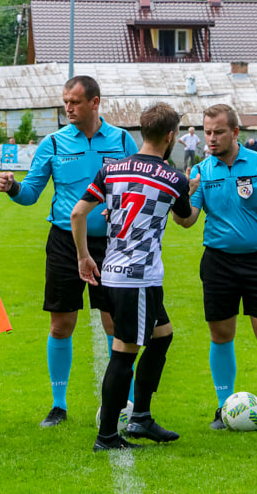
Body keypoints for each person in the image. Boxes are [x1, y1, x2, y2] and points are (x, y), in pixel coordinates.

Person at [0, 75, 138, 427]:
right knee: (61, 324)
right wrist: (13, 187)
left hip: (113, 244)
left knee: (115, 323)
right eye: (65, 102)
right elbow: (30, 194)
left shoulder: (122, 140)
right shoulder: (53, 144)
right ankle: (58, 405)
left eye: (75, 102)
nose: (68, 108)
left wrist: (121, 209)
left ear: (95, 102)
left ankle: (124, 402)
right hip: (64, 243)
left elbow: (137, 187)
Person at [72, 102, 196, 451]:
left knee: (162, 336)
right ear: (171, 137)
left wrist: (84, 257)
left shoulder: (111, 169)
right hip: (137, 279)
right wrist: (193, 190)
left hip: (114, 270)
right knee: (124, 353)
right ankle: (108, 436)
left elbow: (78, 213)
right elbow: (186, 220)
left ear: (142, 131)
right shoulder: (175, 178)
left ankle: (140, 417)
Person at [178, 104, 257, 430]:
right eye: (207, 132)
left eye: (218, 132)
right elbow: (188, 221)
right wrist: (180, 198)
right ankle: (223, 408)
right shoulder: (202, 172)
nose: (211, 138)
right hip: (218, 262)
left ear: (235, 132)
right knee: (221, 334)